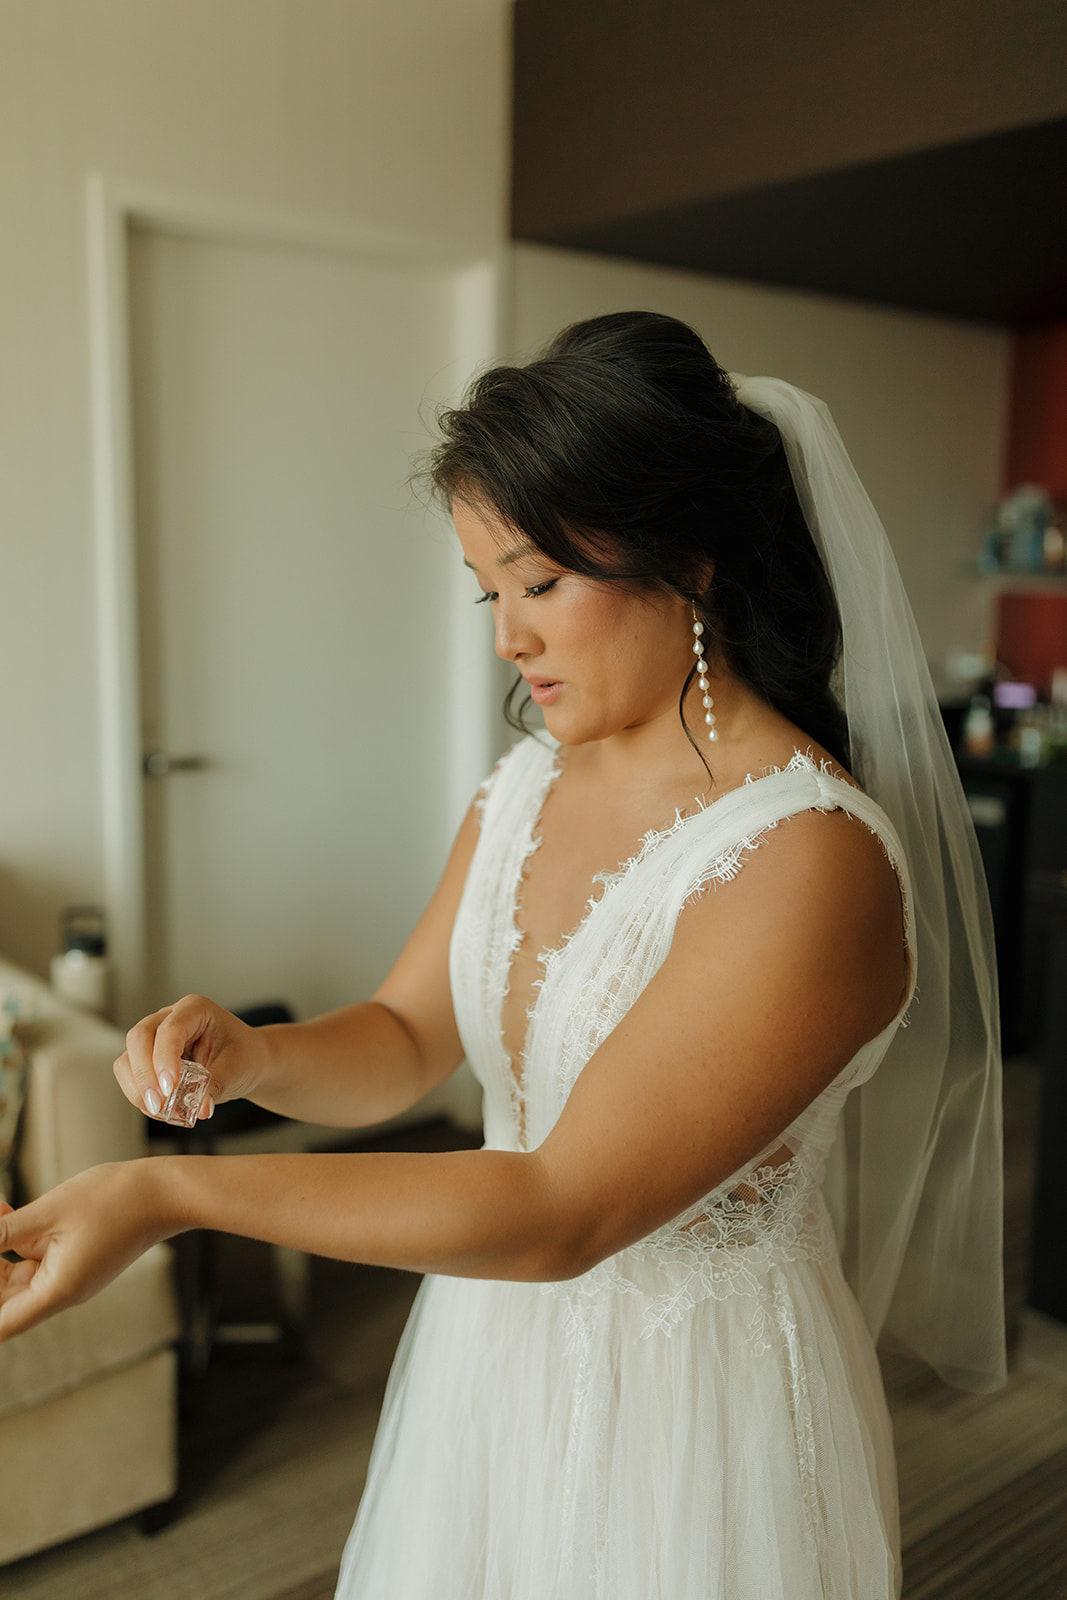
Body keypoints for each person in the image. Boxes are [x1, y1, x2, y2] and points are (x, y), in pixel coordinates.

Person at [0, 312, 1004, 1599]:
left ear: (685, 559)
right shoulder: (528, 782)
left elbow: (564, 1207)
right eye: (489, 590)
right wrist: (257, 1057)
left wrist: (167, 1196)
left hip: (687, 1404)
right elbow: (410, 1039)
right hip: (492, 1344)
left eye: (538, 584)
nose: (505, 642)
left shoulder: (805, 861)